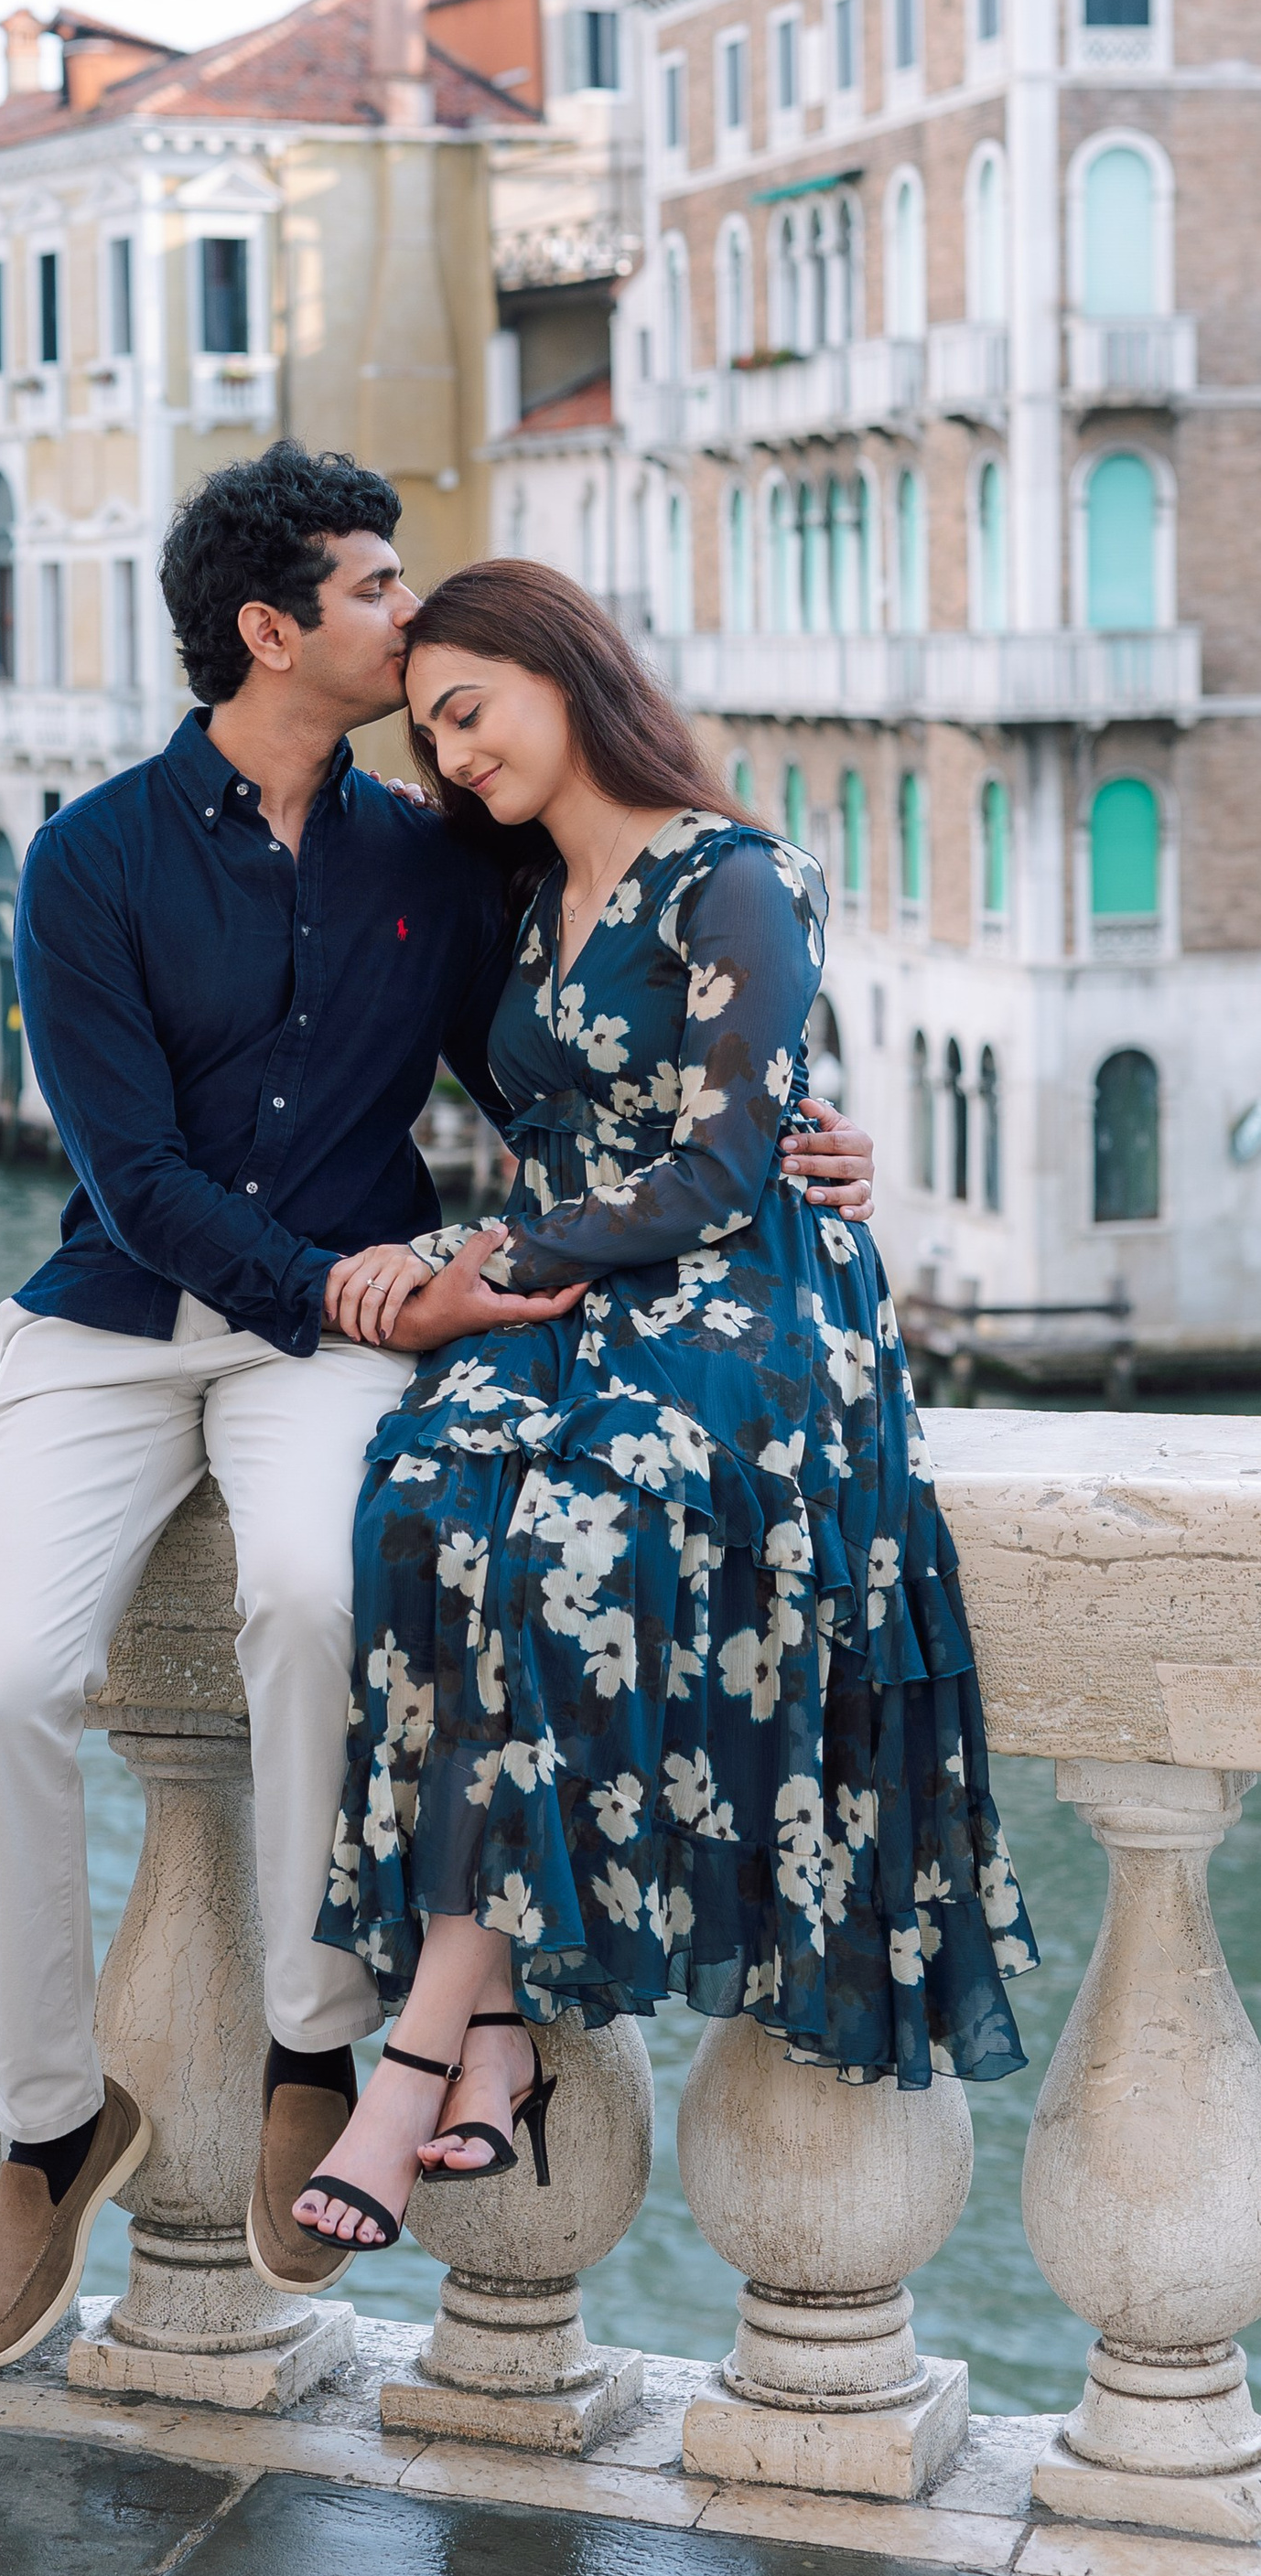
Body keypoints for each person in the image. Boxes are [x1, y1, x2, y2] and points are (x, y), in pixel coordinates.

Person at [0, 444, 876, 2368]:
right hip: (123, 1316)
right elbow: (126, 1176)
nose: (404, 613)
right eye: (373, 589)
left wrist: (778, 1142)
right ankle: (47, 2118)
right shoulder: (87, 858)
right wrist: (370, 1288)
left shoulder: (433, 859)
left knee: (307, 1587)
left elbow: (563, 1072)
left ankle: (310, 2034)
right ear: (272, 629)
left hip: (350, 1331)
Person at [291, 558, 1034, 2258]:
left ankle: (416, 2049)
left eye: (471, 711)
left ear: (566, 671)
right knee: (418, 1513)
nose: (458, 756)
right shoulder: (526, 903)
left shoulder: (740, 877)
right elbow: (575, 1109)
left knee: (563, 1543)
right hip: (577, 1298)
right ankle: (489, 2037)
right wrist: (501, 1257)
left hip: (742, 1303)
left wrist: (485, 1255)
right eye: (433, 736)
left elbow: (715, 1162)